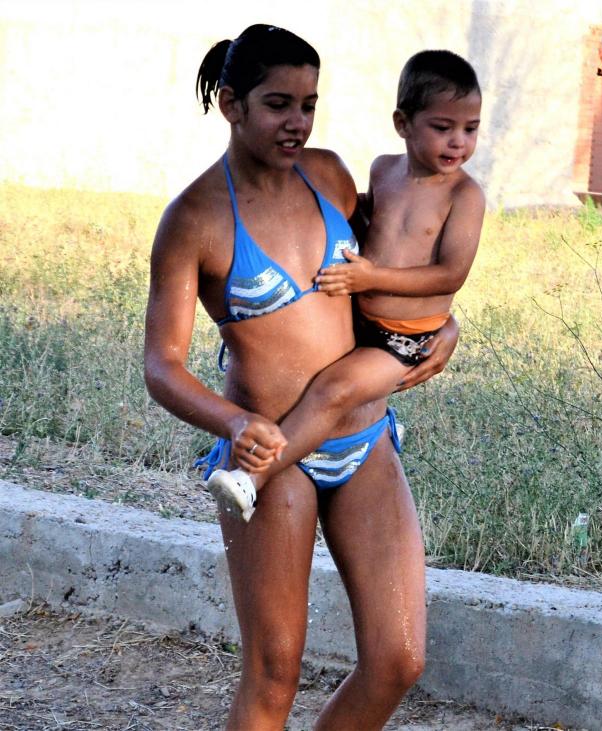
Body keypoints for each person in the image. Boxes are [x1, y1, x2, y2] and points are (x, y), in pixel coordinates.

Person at [144, 24, 463, 730]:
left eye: (309, 104)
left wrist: (441, 326)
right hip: (269, 459)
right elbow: (161, 365)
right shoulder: (195, 218)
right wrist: (233, 423)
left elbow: (399, 268)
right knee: (274, 673)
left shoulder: (330, 177)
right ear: (231, 104)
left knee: (398, 659)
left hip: (364, 439)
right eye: (278, 104)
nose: (297, 122)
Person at [201, 49, 485, 519]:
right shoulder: (383, 171)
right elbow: (366, 224)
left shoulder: (464, 194)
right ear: (402, 123)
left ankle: (253, 478)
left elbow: (452, 273)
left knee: (332, 391)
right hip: (364, 323)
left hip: (405, 339)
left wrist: (379, 281)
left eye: (470, 129)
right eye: (443, 127)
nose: (459, 142)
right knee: (333, 390)